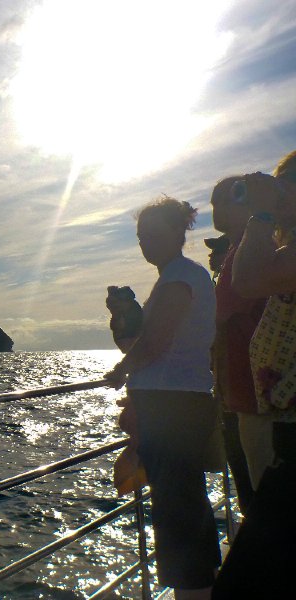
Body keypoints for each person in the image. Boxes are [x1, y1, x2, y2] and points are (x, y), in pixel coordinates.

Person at [105, 196, 220, 600]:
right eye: (140, 236)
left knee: (177, 508)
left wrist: (121, 371)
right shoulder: (179, 276)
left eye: (153, 233)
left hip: (173, 409)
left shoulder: (180, 278)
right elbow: (148, 344)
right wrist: (122, 320)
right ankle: (200, 587)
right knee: (182, 502)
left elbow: (155, 343)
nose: (145, 242)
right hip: (175, 403)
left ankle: (193, 591)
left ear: (178, 232)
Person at [212, 152, 296, 599]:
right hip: (270, 409)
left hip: (278, 417)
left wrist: (262, 211)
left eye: (288, 182)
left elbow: (246, 284)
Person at [209, 179, 273, 518]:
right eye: (214, 201)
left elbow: (219, 320)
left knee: (262, 506)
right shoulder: (234, 255)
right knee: (252, 501)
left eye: (229, 199)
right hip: (236, 396)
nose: (217, 207)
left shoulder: (251, 253)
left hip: (254, 399)